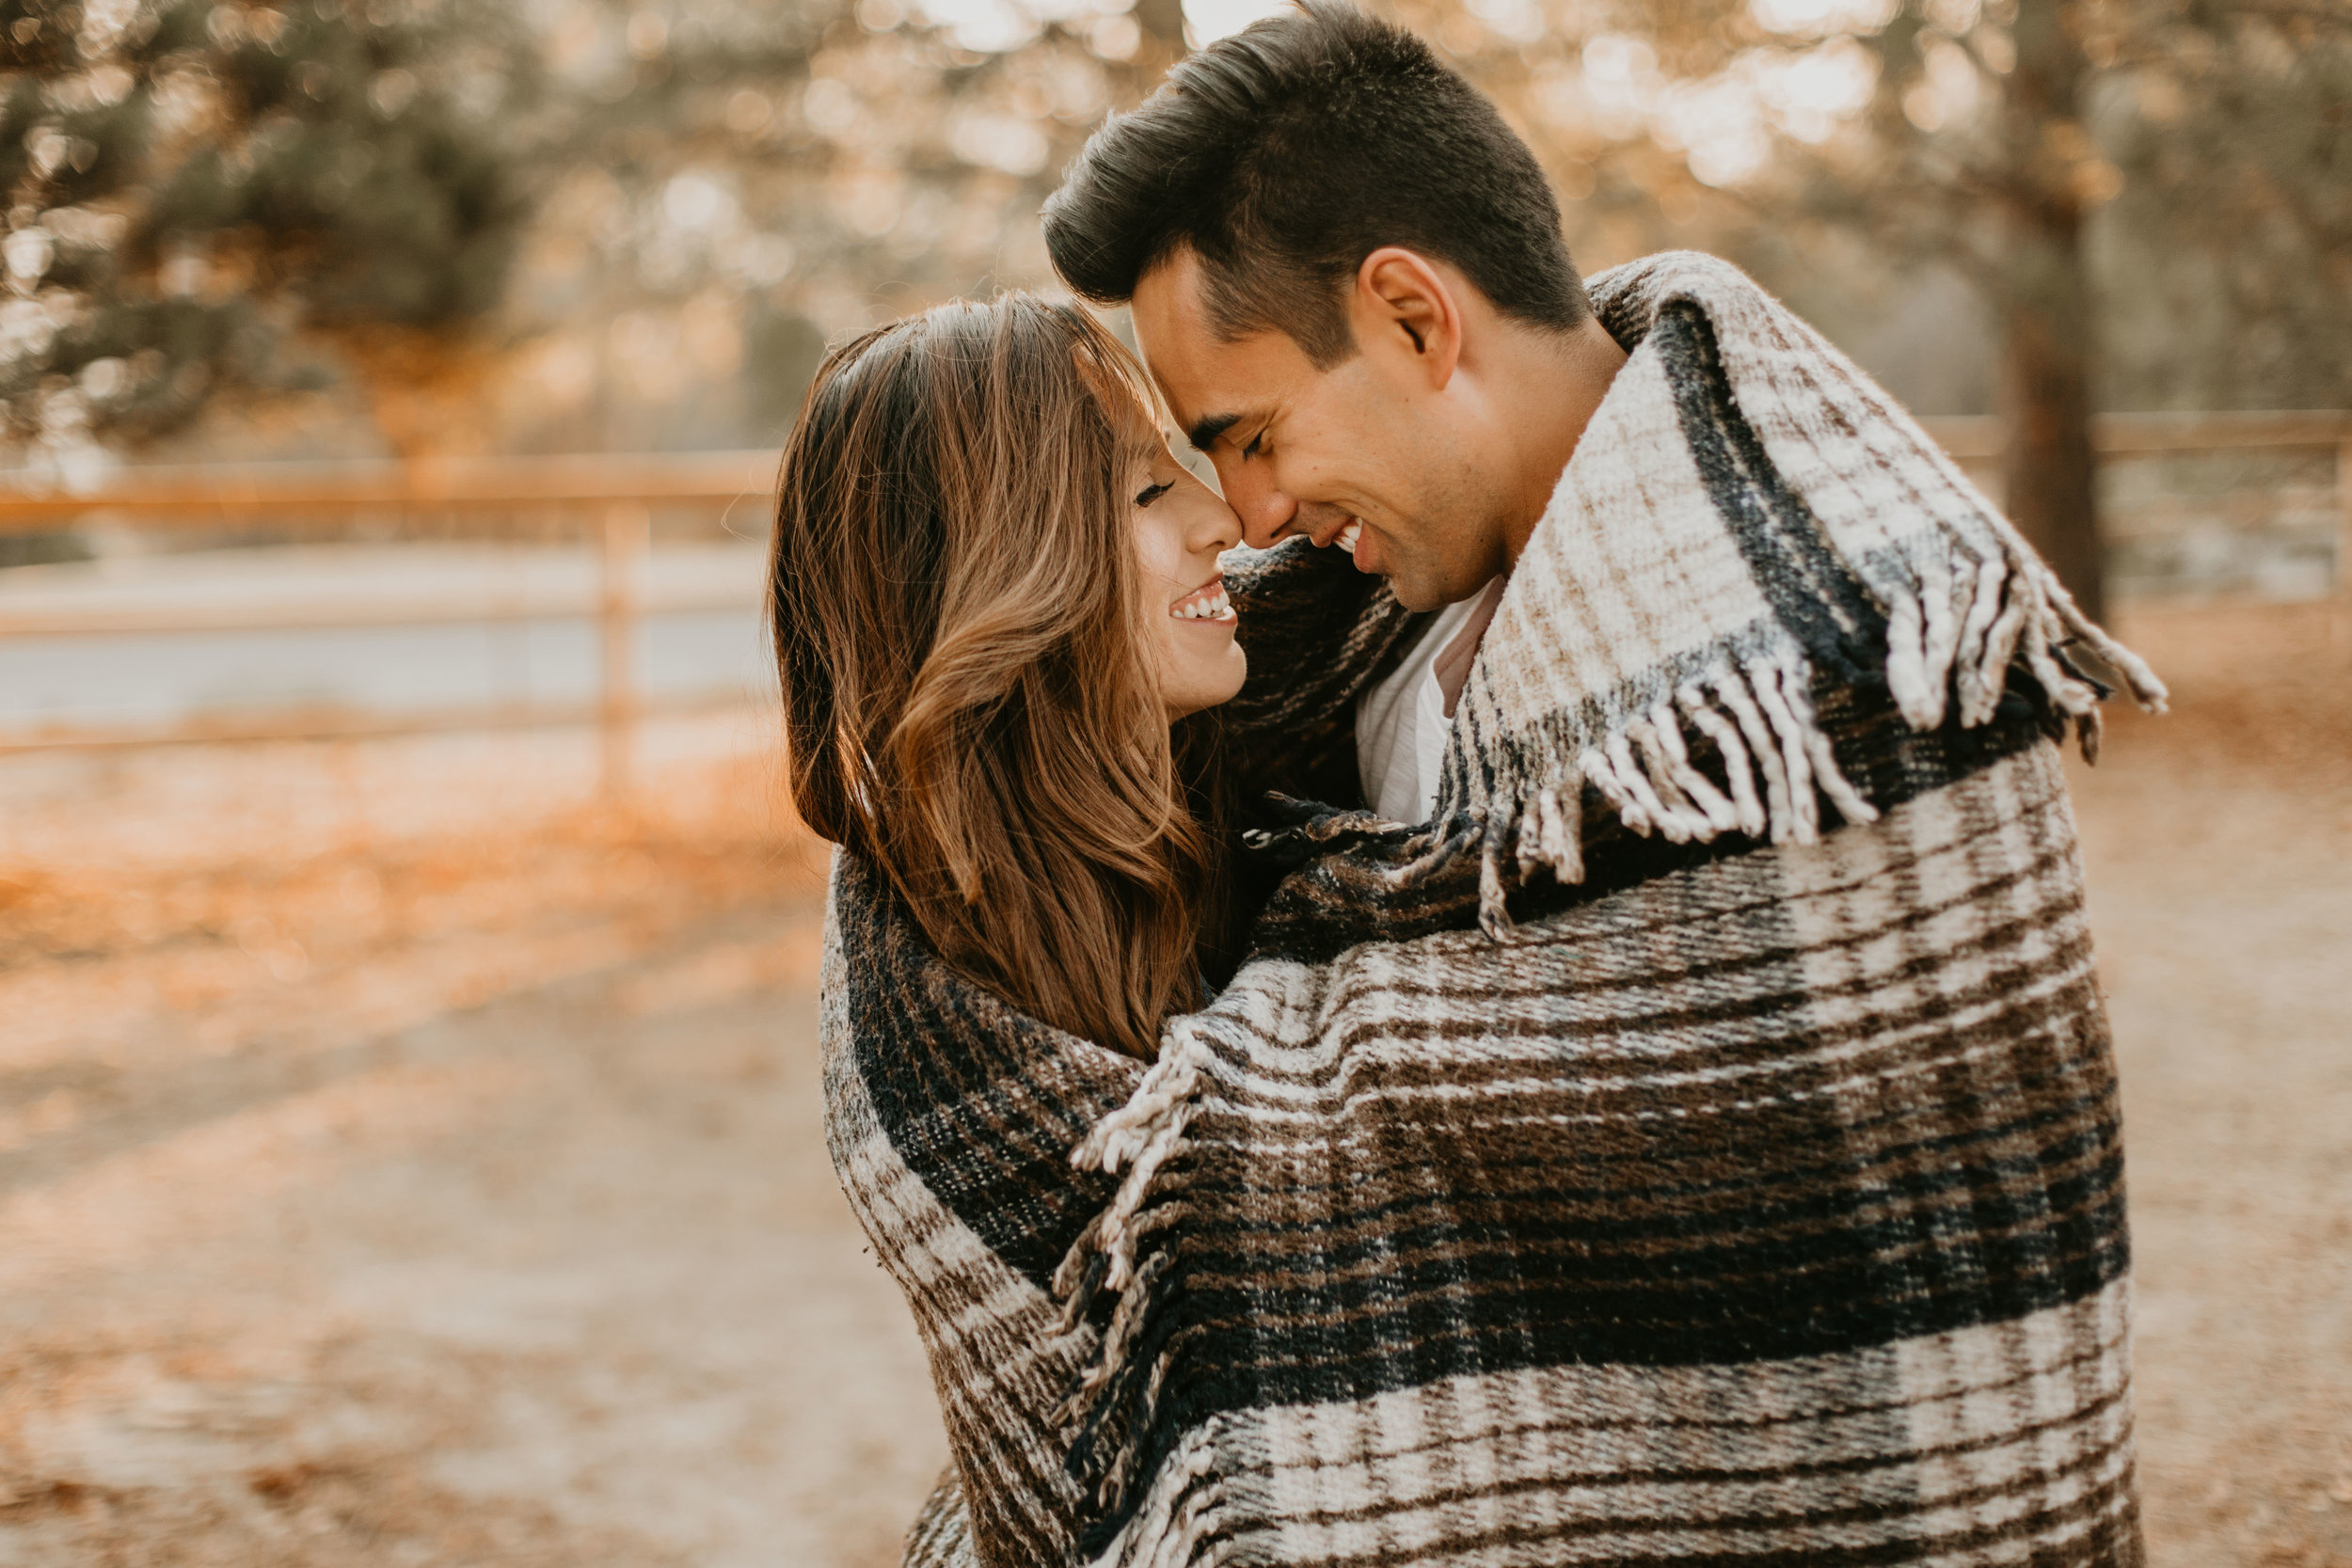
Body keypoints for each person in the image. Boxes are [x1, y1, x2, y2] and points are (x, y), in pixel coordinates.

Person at [797, 5, 2168, 1568]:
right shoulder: (1337, 653)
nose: (1244, 515)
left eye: (1249, 435)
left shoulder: (1830, 689)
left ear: (1413, 319)